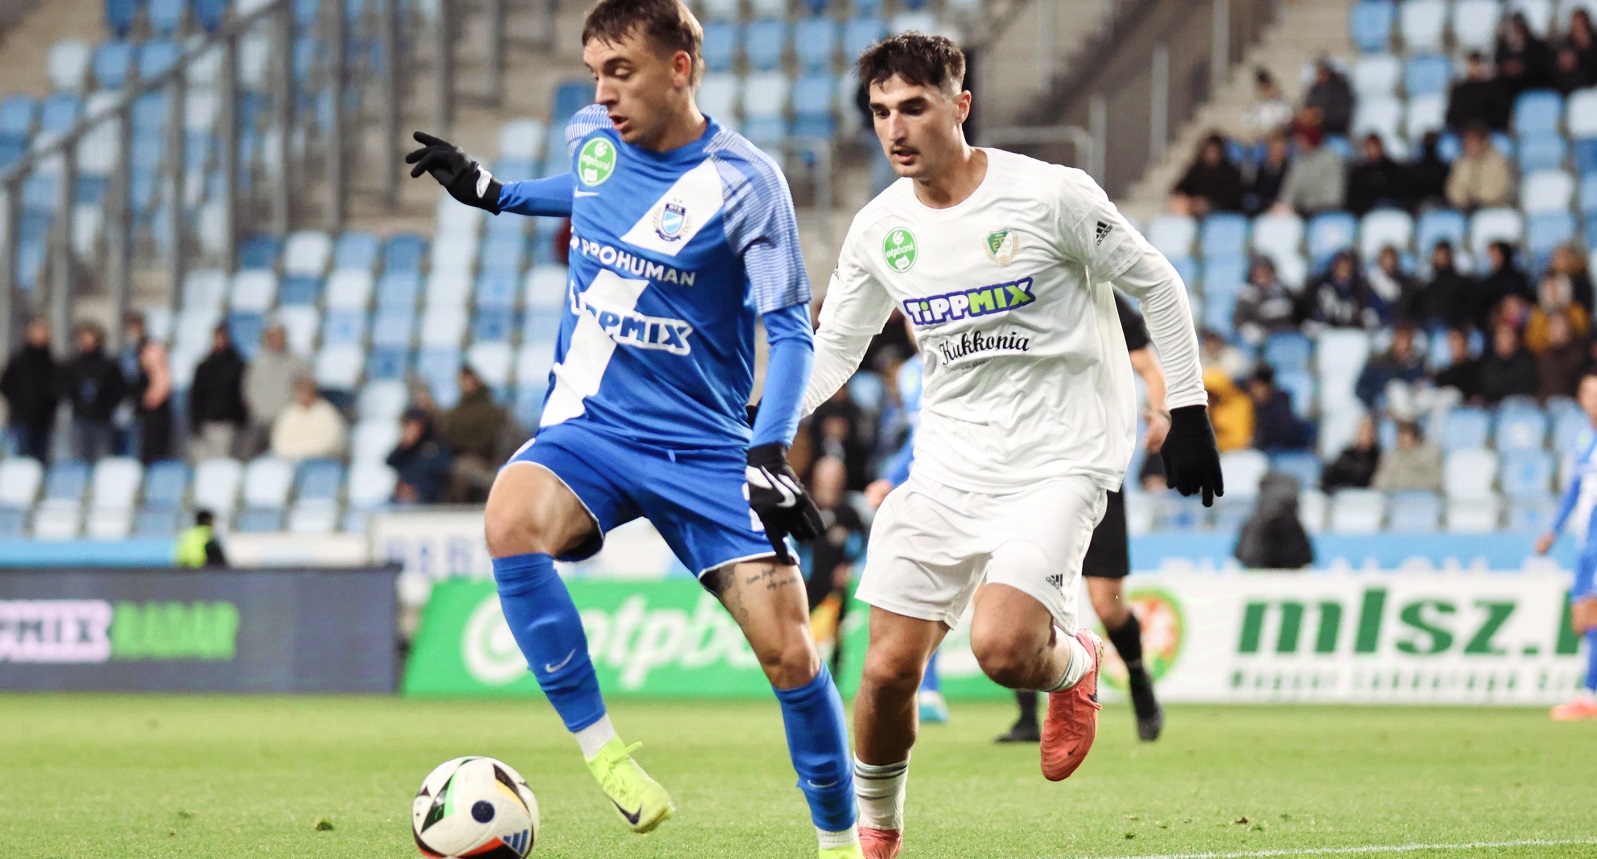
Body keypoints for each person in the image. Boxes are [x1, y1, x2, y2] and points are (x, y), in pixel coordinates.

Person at [404, 2, 860, 854]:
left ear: (680, 67)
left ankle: (842, 844)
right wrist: (494, 194)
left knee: (792, 656)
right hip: (593, 428)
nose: (603, 93)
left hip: (707, 447)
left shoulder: (746, 182)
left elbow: (790, 330)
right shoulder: (592, 135)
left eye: (622, 72)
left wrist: (768, 447)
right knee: (507, 515)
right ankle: (604, 753)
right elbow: (584, 188)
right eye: (594, 74)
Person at [800, 34, 1220, 859]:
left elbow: (1156, 283)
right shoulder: (879, 226)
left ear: (959, 106)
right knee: (885, 669)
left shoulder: (1050, 195)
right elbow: (834, 349)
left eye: (913, 106)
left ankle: (1074, 664)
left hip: (1062, 459)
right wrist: (768, 433)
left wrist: (1191, 409)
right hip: (949, 465)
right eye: (881, 111)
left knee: (999, 648)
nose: (895, 127)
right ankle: (873, 842)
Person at [996, 293, 1172, 747]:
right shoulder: (1020, 293)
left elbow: (1149, 367)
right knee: (1017, 586)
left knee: (1107, 603)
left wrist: (1161, 410)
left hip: (1096, 469)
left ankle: (1139, 683)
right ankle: (1027, 716)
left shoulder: (1109, 302)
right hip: (1031, 469)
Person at [1535, 370, 1597, 720]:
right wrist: (1553, 530)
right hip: (1587, 538)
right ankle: (1589, 691)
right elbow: (1574, 491)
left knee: (1593, 614)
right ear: (1580, 400)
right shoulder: (1584, 441)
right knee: (1584, 618)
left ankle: (1589, 695)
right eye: (1589, 393)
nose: (1595, 399)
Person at [805, 456, 866, 681]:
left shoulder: (848, 512)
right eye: (825, 475)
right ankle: (807, 678)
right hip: (808, 582)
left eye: (834, 476)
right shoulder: (807, 507)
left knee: (837, 634)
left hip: (836, 583)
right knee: (805, 632)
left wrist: (848, 566)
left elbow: (861, 542)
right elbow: (795, 542)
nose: (830, 481)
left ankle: (835, 683)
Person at [438, 365, 509, 503]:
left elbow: (486, 442)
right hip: (454, 456)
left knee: (462, 469)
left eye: (466, 379)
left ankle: (458, 509)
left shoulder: (489, 409)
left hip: (480, 459)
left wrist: (458, 443)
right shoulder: (457, 409)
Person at [241, 322, 312, 457]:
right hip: (260, 421)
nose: (276, 340)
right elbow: (248, 389)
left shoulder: (297, 362)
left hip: (286, 421)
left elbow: (307, 388)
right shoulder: (257, 363)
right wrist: (255, 410)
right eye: (272, 336)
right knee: (249, 456)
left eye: (279, 336)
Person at [60, 321, 126, 463]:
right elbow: (64, 387)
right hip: (80, 418)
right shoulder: (73, 364)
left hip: (103, 420)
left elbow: (120, 389)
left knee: (103, 460)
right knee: (79, 460)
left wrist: (107, 405)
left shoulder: (109, 364)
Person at [1, 318, 59, 462]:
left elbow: (57, 389)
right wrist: (18, 404)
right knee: (20, 460)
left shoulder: (51, 362)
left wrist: (50, 407)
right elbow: (5, 385)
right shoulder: (18, 360)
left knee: (40, 460)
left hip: (44, 421)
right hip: (20, 420)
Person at [188, 324, 248, 461]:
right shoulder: (203, 367)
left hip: (227, 424)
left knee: (222, 463)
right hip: (206, 424)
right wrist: (196, 423)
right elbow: (196, 397)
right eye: (216, 337)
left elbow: (241, 395)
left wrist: (239, 420)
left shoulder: (238, 366)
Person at [1233, 472, 1313, 569]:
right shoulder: (1253, 525)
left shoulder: (1253, 524)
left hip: (1276, 573)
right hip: (1264, 573)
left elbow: (1242, 556)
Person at [1272, 120, 1345, 216]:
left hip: (1324, 212)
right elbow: (1289, 191)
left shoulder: (1331, 160)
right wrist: (1283, 206)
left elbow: (1333, 198)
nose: (1297, 142)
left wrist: (1304, 210)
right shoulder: (1298, 161)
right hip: (1299, 212)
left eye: (1300, 138)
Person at [269, 377, 347, 461]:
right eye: (299, 392)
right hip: (291, 460)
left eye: (305, 392)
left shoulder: (327, 412)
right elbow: (279, 444)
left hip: (323, 461)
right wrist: (299, 452)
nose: (302, 396)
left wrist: (304, 452)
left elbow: (331, 444)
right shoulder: (288, 413)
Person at [387, 408, 453, 504]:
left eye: (413, 426)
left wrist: (416, 490)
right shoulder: (406, 450)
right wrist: (403, 447)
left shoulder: (434, 447)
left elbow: (442, 470)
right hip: (401, 497)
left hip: (427, 499)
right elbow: (390, 462)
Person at [1445, 123, 1515, 212]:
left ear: (1484, 142)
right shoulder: (1461, 162)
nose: (1469, 145)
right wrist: (1463, 200)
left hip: (1494, 210)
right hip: (1465, 210)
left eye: (1473, 141)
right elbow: (1453, 190)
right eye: (1467, 141)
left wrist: (1477, 199)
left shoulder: (1498, 161)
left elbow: (1500, 190)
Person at [1169, 133, 1243, 217]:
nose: (1211, 155)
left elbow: (1232, 198)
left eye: (1214, 151)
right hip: (1195, 208)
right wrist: (1191, 200)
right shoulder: (1197, 169)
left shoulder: (1229, 172)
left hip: (1220, 211)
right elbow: (1181, 187)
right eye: (1208, 151)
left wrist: (1209, 203)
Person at [1301, 251, 1378, 331]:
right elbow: (1313, 310)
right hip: (1327, 329)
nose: (1343, 271)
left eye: (1346, 267)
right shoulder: (1321, 286)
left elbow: (1363, 310)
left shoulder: (1359, 287)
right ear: (1334, 268)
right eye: (1341, 267)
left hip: (1352, 330)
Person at [1232, 256, 1299, 346]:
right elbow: (1238, 319)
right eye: (1258, 273)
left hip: (1290, 335)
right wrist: (1248, 329)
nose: (1262, 276)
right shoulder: (1247, 294)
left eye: (1266, 272)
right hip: (1264, 339)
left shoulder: (1283, 288)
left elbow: (1298, 307)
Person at [1412, 241, 1477, 331]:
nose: (1437, 258)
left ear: (1450, 256)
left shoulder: (1463, 283)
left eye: (1442, 255)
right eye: (1436, 255)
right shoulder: (1427, 285)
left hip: (1455, 332)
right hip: (1430, 330)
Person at [1246, 365, 1312, 452]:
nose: (1252, 391)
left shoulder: (1280, 401)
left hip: (1286, 446)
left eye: (1256, 386)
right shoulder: (1250, 403)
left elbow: (1284, 432)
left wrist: (1257, 441)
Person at [1445, 53, 1511, 133]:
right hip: (1464, 134)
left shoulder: (1496, 88)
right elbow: (1453, 117)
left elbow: (1501, 115)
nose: (1475, 67)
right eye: (1472, 64)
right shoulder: (1460, 90)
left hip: (1489, 132)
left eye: (1477, 63)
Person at [1370, 420, 1443, 492]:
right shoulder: (1391, 456)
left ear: (1416, 439)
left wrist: (1404, 481)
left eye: (1407, 439)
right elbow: (1379, 481)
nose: (1403, 443)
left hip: (1423, 499)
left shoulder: (1429, 454)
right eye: (1401, 439)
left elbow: (1435, 481)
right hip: (1394, 498)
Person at [1495, 11, 1554, 97]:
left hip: (1532, 86)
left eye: (1520, 27)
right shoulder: (1502, 47)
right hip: (1508, 88)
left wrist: (1523, 67)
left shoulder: (1538, 46)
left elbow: (1543, 67)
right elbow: (1499, 66)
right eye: (1515, 27)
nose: (1518, 30)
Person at [133, 339, 173, 464]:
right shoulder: (140, 377)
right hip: (143, 425)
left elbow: (152, 400)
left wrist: (157, 370)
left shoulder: (162, 375)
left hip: (157, 424)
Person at [1479, 323, 1540, 404]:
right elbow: (1489, 388)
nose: (1503, 340)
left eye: (1507, 336)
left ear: (1515, 339)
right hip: (1494, 406)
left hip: (1522, 404)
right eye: (1500, 336)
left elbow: (1527, 386)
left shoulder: (1526, 360)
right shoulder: (1487, 362)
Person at [1344, 133, 1404, 216]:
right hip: (1366, 214)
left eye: (1374, 146)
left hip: (1392, 212)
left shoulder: (1393, 169)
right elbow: (1354, 200)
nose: (1371, 150)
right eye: (1368, 147)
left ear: (1380, 147)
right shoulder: (1359, 173)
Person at [1321, 414, 1380, 491]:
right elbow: (1330, 478)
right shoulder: (1346, 455)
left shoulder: (1379, 457)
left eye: (1369, 430)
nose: (1365, 434)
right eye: (1362, 430)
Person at [1204, 365, 1255, 451]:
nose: (1209, 398)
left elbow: (1239, 440)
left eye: (1211, 393)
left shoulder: (1240, 404)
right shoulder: (1203, 407)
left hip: (1234, 454)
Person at [1365, 245, 1420, 325]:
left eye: (1392, 259)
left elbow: (1405, 306)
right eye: (1386, 259)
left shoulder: (1405, 282)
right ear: (1380, 260)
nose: (1389, 263)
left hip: (1396, 324)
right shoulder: (1369, 280)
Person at [1242, 130, 1291, 215]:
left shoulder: (1291, 170)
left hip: (1284, 211)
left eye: (1280, 149)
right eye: (1274, 149)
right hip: (1263, 211)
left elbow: (1290, 194)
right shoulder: (1260, 170)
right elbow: (1254, 192)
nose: (1277, 153)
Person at [1302, 59, 1354, 137]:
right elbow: (1308, 107)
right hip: (1316, 136)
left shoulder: (1340, 89)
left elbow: (1342, 116)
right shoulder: (1314, 89)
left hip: (1336, 133)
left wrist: (1321, 117)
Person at [1242, 68, 1294, 141]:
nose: (1265, 91)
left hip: (1278, 139)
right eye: (1262, 87)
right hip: (1261, 138)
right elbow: (1248, 122)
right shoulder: (1255, 104)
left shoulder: (1282, 103)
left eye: (1268, 87)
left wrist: (1276, 132)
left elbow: (1287, 120)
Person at [1435, 327, 1484, 403]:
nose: (1453, 345)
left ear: (1465, 343)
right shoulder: (1445, 374)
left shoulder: (1478, 369)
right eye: (1451, 341)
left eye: (1456, 340)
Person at [1404, 131, 1449, 211]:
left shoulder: (1445, 168)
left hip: (1442, 205)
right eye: (1428, 141)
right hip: (1421, 206)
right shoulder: (1415, 169)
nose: (1430, 144)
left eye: (1431, 141)